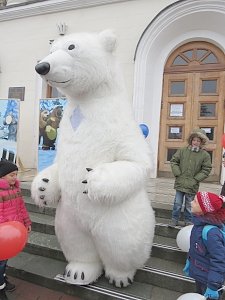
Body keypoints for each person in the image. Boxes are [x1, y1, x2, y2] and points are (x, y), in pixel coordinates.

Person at [183, 191, 225, 299]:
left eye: (195, 201)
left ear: (204, 210)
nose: (191, 203)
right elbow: (196, 248)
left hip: (209, 280)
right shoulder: (199, 224)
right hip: (200, 274)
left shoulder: (211, 233)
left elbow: (219, 261)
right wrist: (190, 261)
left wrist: (212, 286)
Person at [0, 161, 31, 300]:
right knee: (0, 261)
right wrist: (6, 228)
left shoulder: (16, 190)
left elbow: (21, 208)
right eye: (11, 175)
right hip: (3, 234)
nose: (15, 177)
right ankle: (0, 287)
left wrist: (26, 222)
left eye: (16, 174)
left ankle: (2, 278)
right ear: (2, 176)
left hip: (13, 233)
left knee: (4, 260)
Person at [169, 128, 212, 227]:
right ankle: (174, 219)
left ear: (201, 142)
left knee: (189, 205)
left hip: (192, 185)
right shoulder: (182, 151)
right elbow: (174, 161)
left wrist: (196, 179)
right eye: (194, 140)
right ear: (191, 140)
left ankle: (188, 221)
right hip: (181, 182)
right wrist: (178, 173)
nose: (195, 142)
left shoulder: (204, 155)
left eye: (198, 141)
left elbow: (206, 169)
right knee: (177, 203)